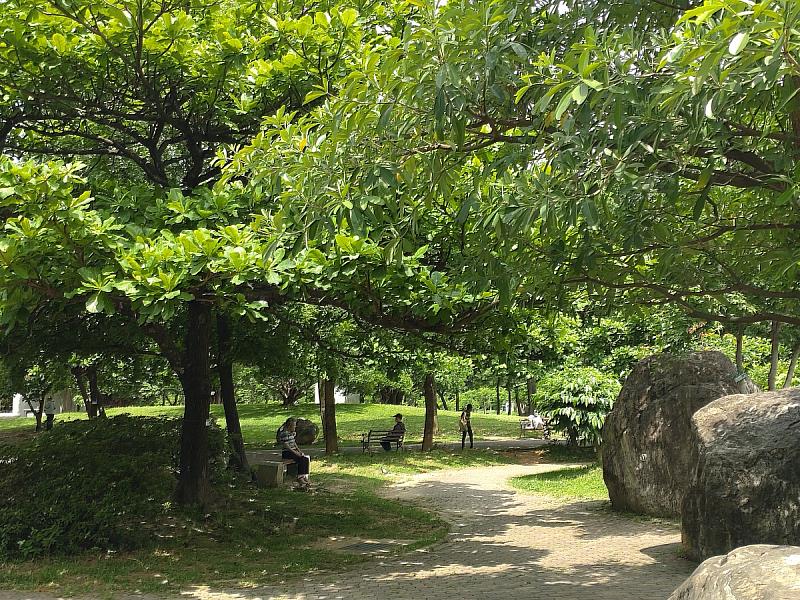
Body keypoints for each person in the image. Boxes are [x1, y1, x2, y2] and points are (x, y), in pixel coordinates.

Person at [277, 417, 311, 489]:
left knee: (305, 459)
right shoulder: (284, 434)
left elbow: (294, 443)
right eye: (294, 425)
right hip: (287, 452)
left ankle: (304, 476)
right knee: (301, 459)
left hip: (294, 451)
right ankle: (300, 478)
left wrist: (299, 451)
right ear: (289, 426)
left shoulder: (292, 433)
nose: (295, 427)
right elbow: (287, 447)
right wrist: (296, 453)